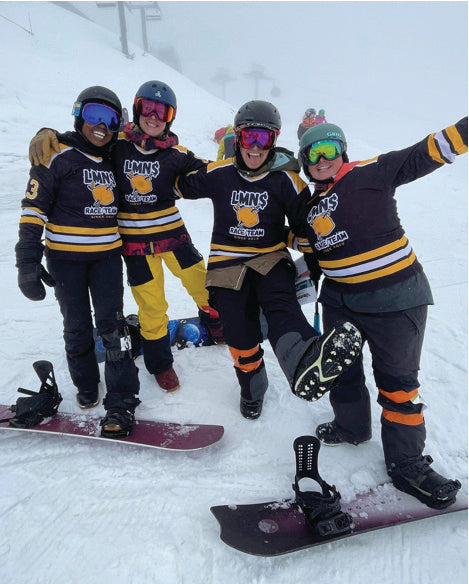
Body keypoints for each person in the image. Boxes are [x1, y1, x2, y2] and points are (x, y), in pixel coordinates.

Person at [297, 118, 467, 509]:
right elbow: (312, 258)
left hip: (397, 299)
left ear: (343, 152)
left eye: (330, 150)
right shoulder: (309, 208)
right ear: (305, 161)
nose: (322, 160)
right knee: (341, 371)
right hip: (340, 301)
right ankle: (351, 427)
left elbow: (427, 151)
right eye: (313, 154)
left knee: (398, 386)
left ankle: (407, 466)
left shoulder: (372, 172)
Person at [29, 80, 224, 393]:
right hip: (136, 248)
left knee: (203, 285)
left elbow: (211, 172)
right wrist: (46, 133)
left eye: (162, 111)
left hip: (175, 239)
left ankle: (215, 321)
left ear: (170, 117)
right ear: (136, 109)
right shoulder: (115, 143)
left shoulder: (176, 152)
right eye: (148, 107)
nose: (154, 116)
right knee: (152, 305)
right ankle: (160, 363)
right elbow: (81, 140)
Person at [175, 100, 362, 419]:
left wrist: (319, 253)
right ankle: (252, 388)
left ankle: (305, 360)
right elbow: (178, 185)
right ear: (238, 138)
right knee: (237, 328)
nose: (256, 147)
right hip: (226, 264)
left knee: (280, 305)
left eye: (264, 139)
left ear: (274, 140)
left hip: (270, 258)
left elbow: (308, 226)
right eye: (249, 138)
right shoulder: (220, 173)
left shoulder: (286, 180)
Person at [16, 86, 141, 437]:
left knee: (113, 328)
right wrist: (27, 260)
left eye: (110, 119)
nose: (100, 126)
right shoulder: (57, 155)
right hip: (65, 261)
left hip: (106, 259)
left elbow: (146, 144)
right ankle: (86, 387)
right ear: (78, 115)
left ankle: (121, 399)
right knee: (76, 326)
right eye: (93, 116)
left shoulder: (116, 156)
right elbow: (33, 209)